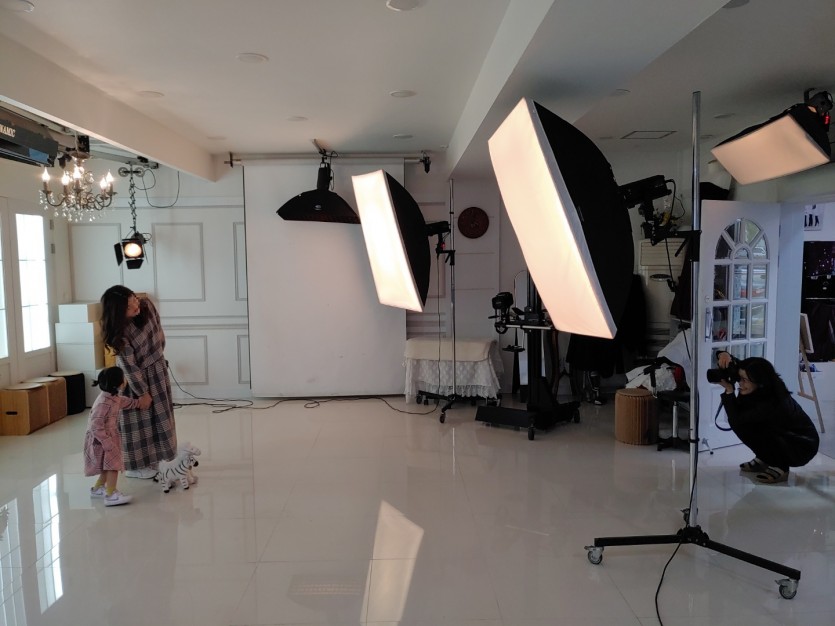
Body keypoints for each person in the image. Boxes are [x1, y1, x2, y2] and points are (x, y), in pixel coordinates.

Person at [100, 285, 178, 478]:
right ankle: (135, 467)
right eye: (128, 306)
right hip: (135, 379)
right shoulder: (119, 334)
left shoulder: (146, 306)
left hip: (157, 369)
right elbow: (129, 366)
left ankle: (159, 458)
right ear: (117, 312)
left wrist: (158, 358)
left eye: (134, 299)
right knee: (138, 421)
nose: (136, 306)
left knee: (161, 417)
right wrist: (142, 392)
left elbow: (159, 332)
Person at [713, 352, 820, 484]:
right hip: (784, 436)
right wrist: (724, 355)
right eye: (739, 378)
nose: (740, 383)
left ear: (760, 382)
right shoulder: (759, 381)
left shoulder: (773, 402)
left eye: (744, 380)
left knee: (745, 427)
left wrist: (729, 391)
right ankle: (765, 458)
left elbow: (736, 420)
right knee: (752, 426)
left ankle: (779, 465)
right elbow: (731, 360)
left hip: (800, 446)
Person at [84, 367, 152, 506]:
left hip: (109, 438)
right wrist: (106, 442)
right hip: (102, 441)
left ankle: (97, 489)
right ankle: (111, 495)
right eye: (123, 378)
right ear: (119, 384)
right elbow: (95, 425)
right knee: (113, 466)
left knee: (107, 466)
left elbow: (124, 402)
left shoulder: (113, 397)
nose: (125, 380)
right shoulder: (103, 403)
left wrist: (139, 403)